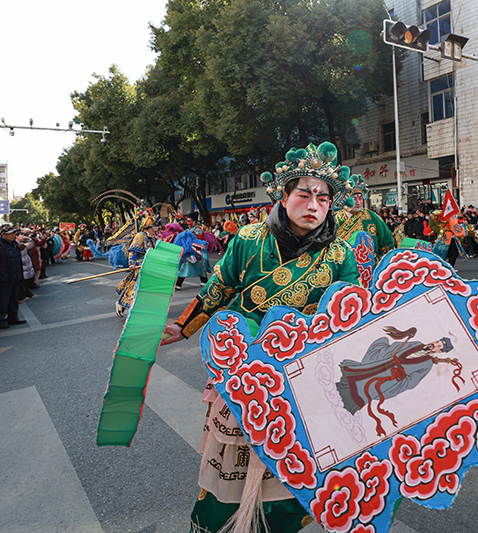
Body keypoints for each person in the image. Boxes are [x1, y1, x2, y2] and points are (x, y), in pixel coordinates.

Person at [160, 141, 360, 533]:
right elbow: (217, 288)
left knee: (293, 470)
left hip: (305, 377)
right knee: (229, 472)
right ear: (283, 198)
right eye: (304, 194)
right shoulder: (250, 239)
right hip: (243, 373)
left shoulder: (340, 255)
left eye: (323, 198)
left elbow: (351, 314)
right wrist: (183, 327)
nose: (314, 205)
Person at [336, 326, 461, 437]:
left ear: (439, 352)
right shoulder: (417, 343)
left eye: (439, 347)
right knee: (361, 372)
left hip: (392, 376)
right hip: (385, 362)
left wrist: (398, 378)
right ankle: (344, 386)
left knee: (370, 388)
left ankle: (350, 403)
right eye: (437, 342)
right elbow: (398, 346)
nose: (435, 345)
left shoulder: (427, 364)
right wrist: (389, 354)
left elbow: (412, 381)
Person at [335, 174, 395, 257]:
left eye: (360, 198)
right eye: (354, 199)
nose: (359, 202)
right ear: (345, 199)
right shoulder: (335, 219)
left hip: (371, 266)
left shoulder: (372, 217)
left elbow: (387, 241)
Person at [115, 218, 159, 317]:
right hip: (141, 267)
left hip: (150, 266)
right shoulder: (140, 235)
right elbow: (133, 250)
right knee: (136, 288)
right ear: (148, 227)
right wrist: (131, 263)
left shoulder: (153, 237)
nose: (155, 228)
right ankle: (121, 304)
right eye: (153, 226)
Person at [0, 225, 26, 328]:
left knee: (13, 299)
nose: (13, 235)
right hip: (4, 278)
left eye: (13, 233)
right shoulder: (1, 245)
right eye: (10, 234)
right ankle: (1, 320)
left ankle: (13, 317)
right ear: (3, 235)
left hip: (15, 276)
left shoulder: (14, 244)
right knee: (3, 301)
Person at [174, 225, 212, 290]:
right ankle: (179, 283)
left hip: (196, 250)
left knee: (200, 265)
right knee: (184, 266)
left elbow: (199, 240)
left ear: (194, 221)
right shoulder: (188, 230)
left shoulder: (198, 230)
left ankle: (204, 280)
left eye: (189, 221)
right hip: (188, 250)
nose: (188, 223)